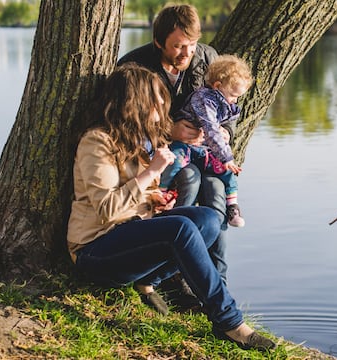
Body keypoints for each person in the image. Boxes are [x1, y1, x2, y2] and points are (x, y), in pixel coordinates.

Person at [66, 63, 275, 351]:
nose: (161, 112)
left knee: (208, 220)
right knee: (181, 228)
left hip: (130, 235)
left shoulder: (140, 140)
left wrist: (157, 200)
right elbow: (107, 209)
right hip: (95, 250)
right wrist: (151, 173)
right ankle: (229, 321)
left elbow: (139, 197)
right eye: (156, 104)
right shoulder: (97, 142)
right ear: (135, 105)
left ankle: (148, 281)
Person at [118, 3, 231, 281]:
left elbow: (226, 104)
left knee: (217, 195)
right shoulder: (134, 66)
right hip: (161, 157)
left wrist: (226, 131)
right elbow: (126, 122)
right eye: (179, 46)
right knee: (189, 179)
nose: (188, 53)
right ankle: (172, 274)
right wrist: (169, 131)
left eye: (192, 44)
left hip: (204, 153)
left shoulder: (208, 57)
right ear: (159, 42)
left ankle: (217, 279)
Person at [159, 54, 253, 228]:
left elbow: (222, 126)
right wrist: (226, 156)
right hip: (185, 144)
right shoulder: (204, 99)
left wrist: (226, 134)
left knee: (227, 171)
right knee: (174, 162)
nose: (235, 100)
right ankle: (162, 193)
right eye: (233, 95)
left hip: (203, 148)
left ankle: (232, 205)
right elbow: (210, 128)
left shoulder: (225, 102)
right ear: (217, 86)